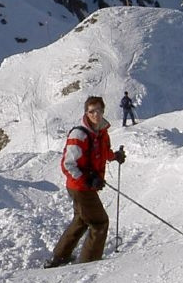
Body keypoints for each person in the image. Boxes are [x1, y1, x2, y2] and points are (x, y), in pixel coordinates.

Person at [45, 96, 126, 267]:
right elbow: (68, 165)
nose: (95, 114)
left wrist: (115, 156)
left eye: (98, 110)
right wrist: (88, 179)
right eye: (91, 111)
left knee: (81, 220)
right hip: (80, 187)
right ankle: (89, 263)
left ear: (103, 111)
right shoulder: (79, 134)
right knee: (99, 222)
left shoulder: (101, 132)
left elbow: (103, 152)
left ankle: (59, 256)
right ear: (86, 113)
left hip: (86, 185)